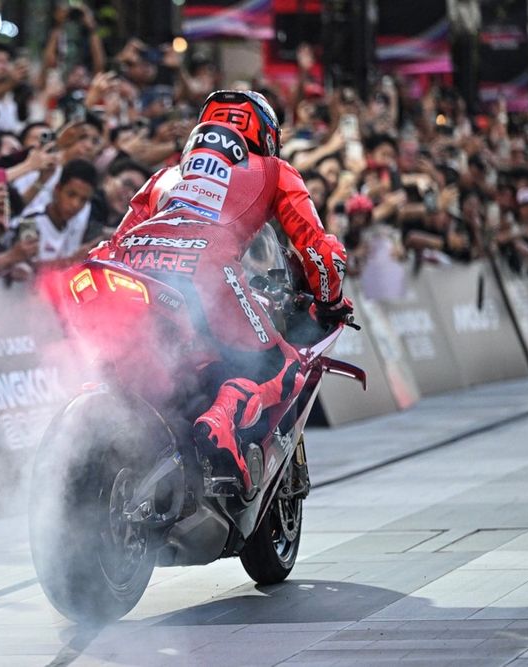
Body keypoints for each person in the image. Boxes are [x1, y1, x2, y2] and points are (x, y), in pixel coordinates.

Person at [98, 90, 352, 499]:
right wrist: (331, 300)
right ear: (266, 134)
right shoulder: (274, 170)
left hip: (134, 270)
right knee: (280, 366)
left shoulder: (165, 176)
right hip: (208, 273)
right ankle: (220, 423)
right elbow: (319, 251)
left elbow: (116, 241)